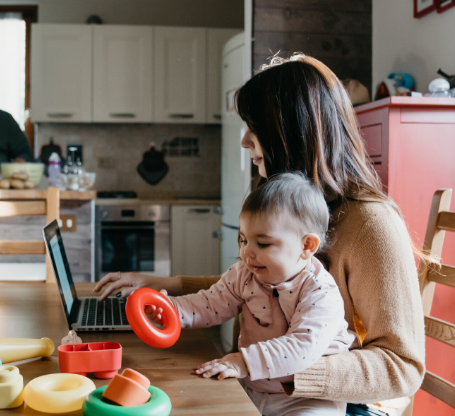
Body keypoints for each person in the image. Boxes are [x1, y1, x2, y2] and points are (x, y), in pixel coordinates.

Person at [94, 54, 425, 416]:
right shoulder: (282, 210)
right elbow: (250, 286)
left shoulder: (370, 224)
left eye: (255, 127)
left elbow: (401, 368)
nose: (244, 141)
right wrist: (164, 285)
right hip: (267, 384)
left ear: (292, 133)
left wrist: (274, 367)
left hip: (347, 403)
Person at [159, 173, 354, 415]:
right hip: (251, 386)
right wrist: (172, 310)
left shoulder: (321, 292)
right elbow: (210, 303)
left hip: (306, 400)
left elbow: (301, 346)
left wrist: (243, 362)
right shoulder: (244, 274)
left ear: (307, 246)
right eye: (243, 240)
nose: (246, 253)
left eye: (262, 244)